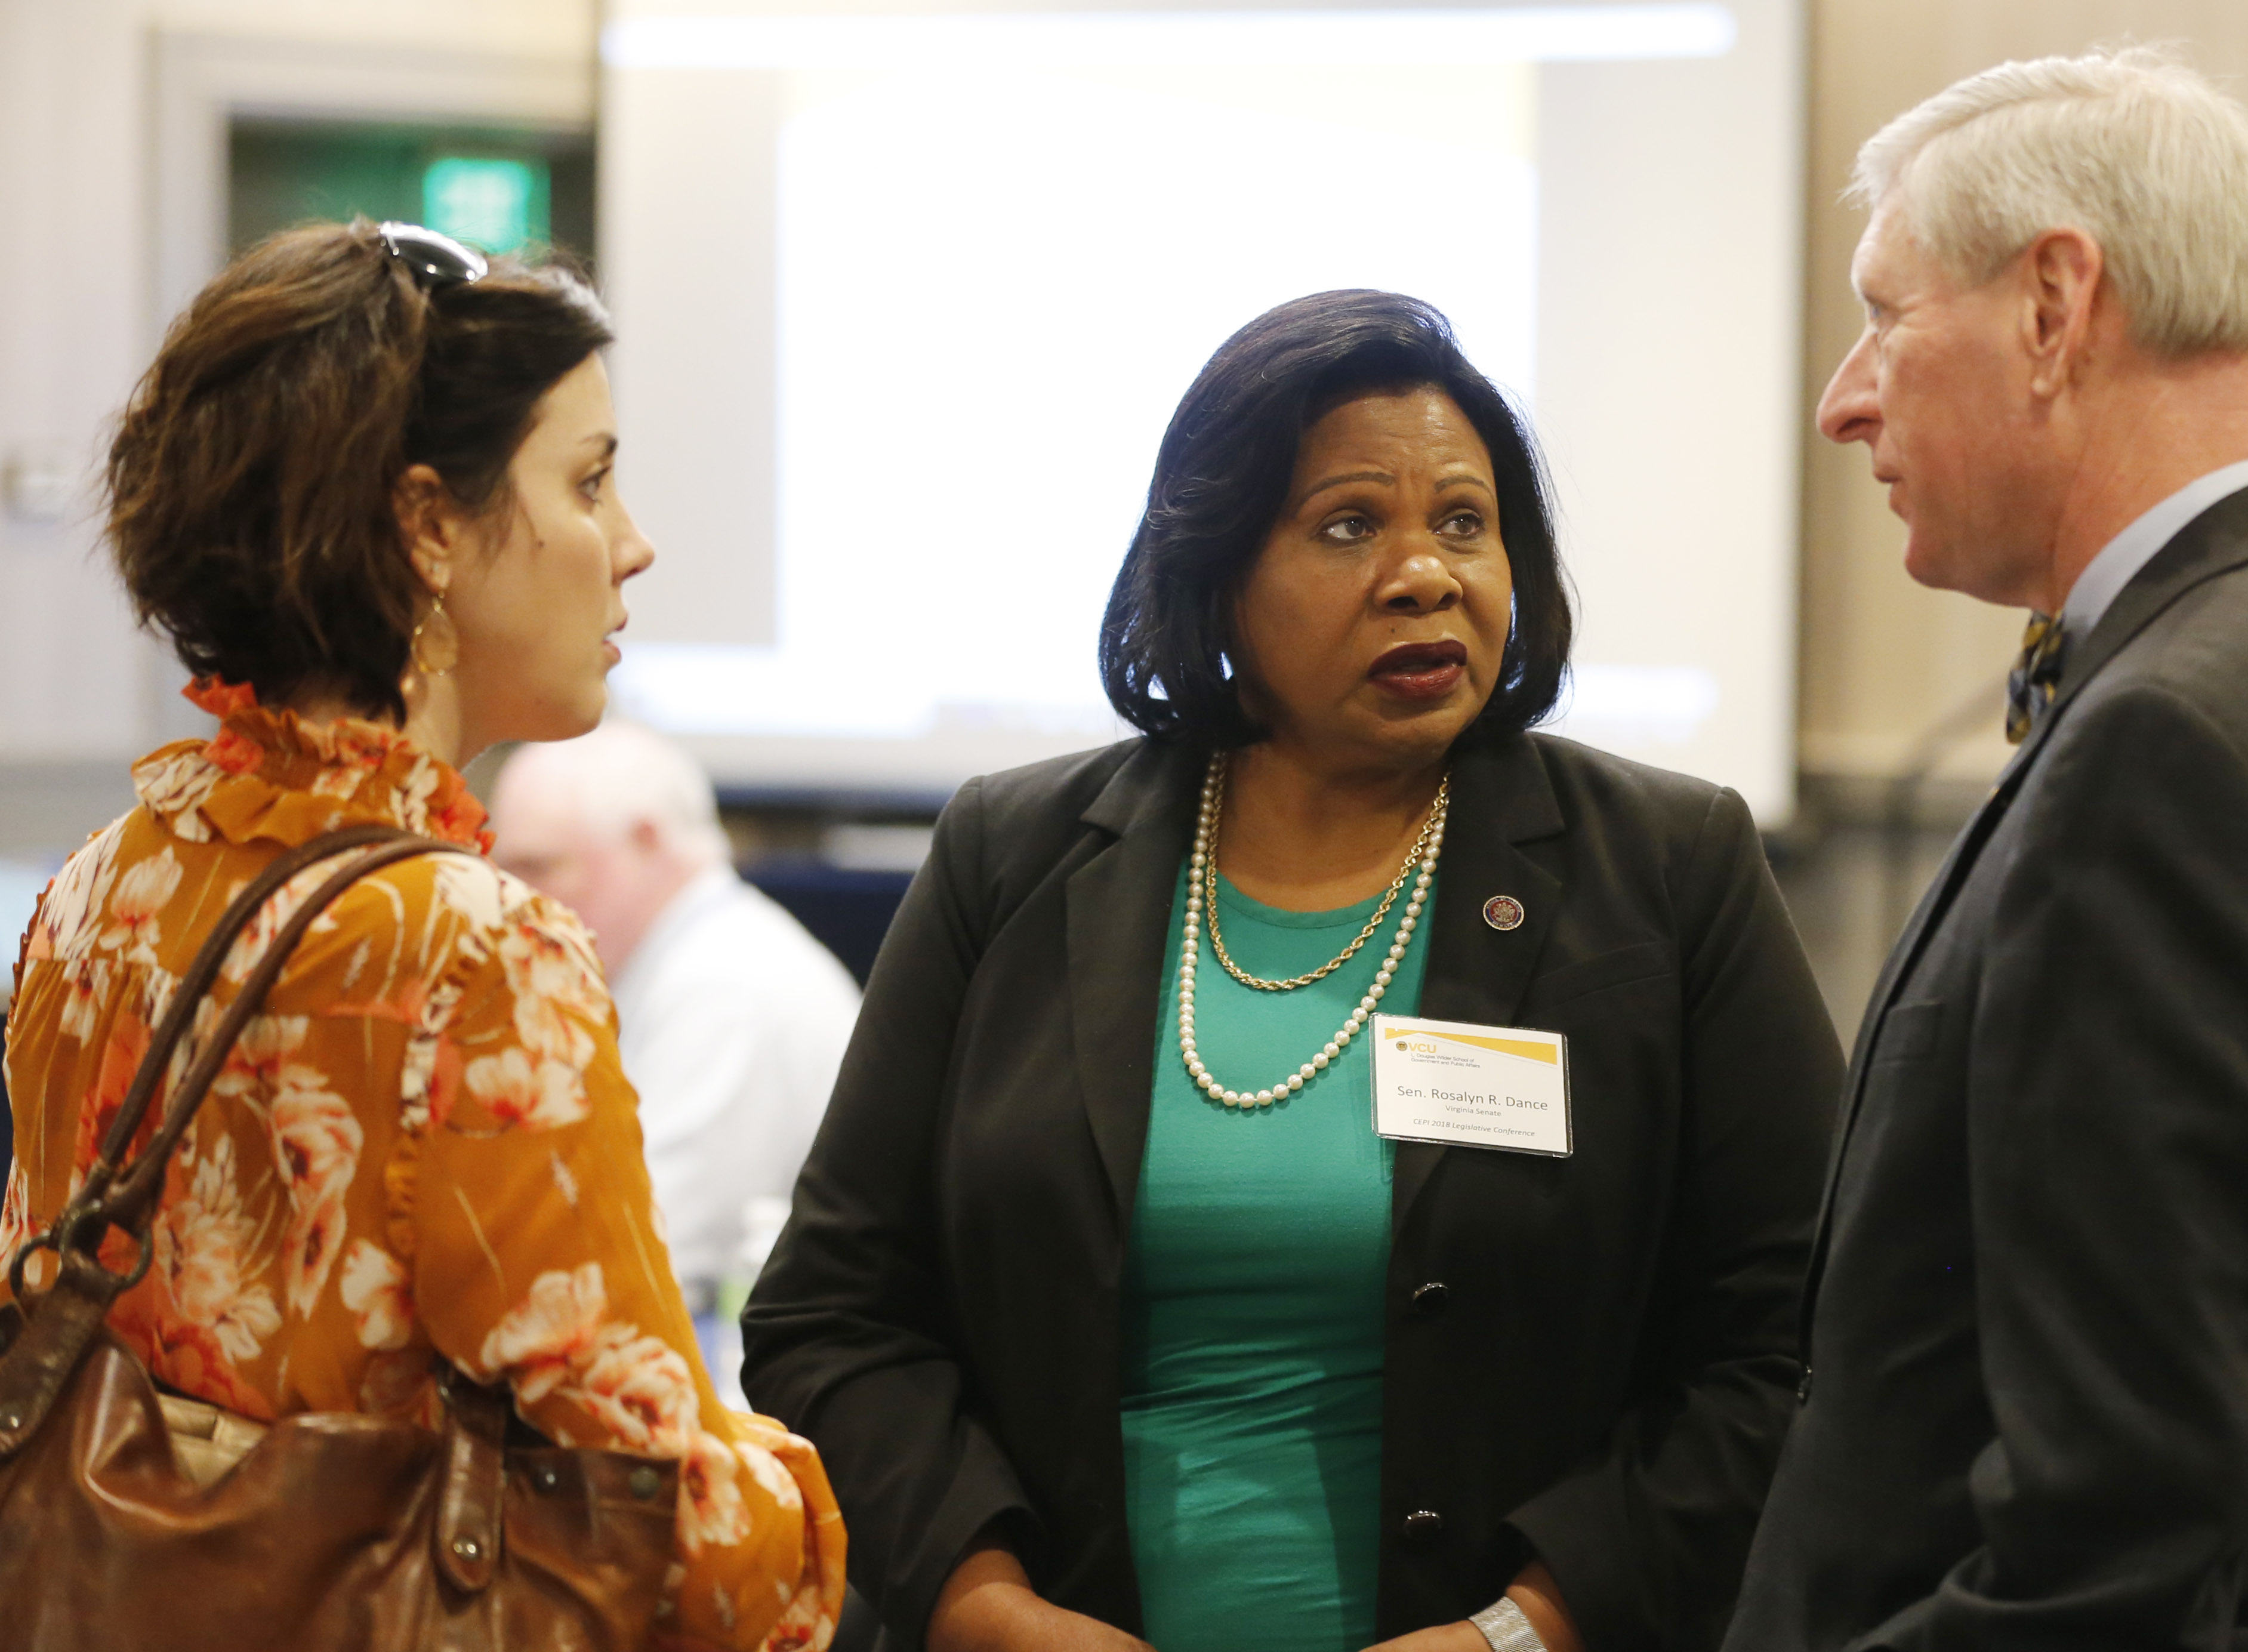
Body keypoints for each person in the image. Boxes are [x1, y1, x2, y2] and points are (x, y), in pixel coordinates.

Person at [741, 290, 1845, 1652]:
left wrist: (1528, 1628)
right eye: (1348, 526)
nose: (1426, 574)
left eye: (1463, 521)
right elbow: (833, 1313)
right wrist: (982, 1603)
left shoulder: (1668, 873)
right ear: (1215, 575)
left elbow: (1788, 1344)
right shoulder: (1011, 859)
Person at [1724, 48, 2248, 1651]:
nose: (1842, 397)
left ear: (2050, 305)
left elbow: (2126, 1524)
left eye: (1884, 312)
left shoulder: (2172, 740)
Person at [0, 220, 842, 1652]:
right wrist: (814, 1490)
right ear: (424, 527)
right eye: (587, 481)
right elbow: (669, 1532)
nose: (633, 545)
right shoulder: (476, 953)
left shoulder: (101, 883)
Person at [489, 720, 860, 1348]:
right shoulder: (691, 962)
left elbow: (632, 1257)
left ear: (647, 841)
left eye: (540, 866)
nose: (514, 901)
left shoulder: (727, 987)